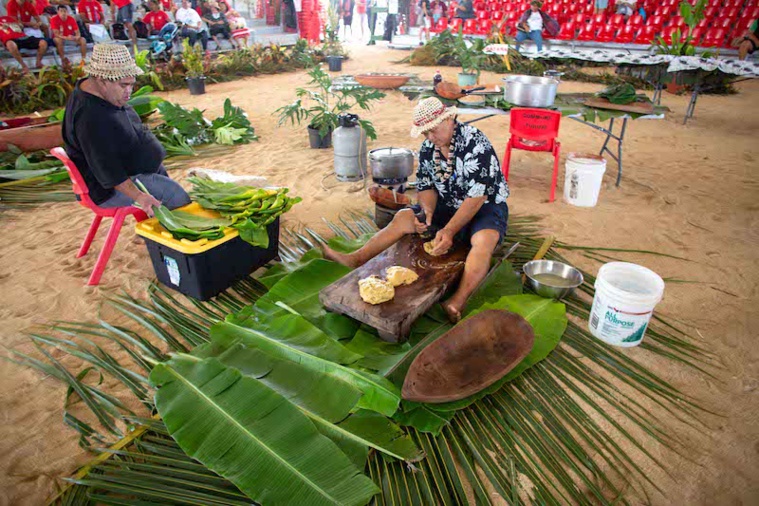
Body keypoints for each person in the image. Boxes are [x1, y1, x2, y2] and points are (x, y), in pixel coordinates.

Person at [323, 98, 509, 323]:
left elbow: (476, 197)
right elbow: (426, 186)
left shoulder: (476, 142)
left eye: (433, 130)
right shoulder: (429, 147)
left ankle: (457, 302)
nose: (430, 137)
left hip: (483, 206)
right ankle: (356, 258)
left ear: (449, 118)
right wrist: (427, 211)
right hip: (447, 204)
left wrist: (448, 231)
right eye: (425, 133)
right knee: (404, 217)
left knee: (483, 241)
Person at [62, 44, 191, 216]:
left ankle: (155, 230)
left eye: (131, 85)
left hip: (135, 170)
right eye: (123, 85)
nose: (129, 92)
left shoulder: (98, 92)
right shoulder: (91, 118)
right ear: (101, 81)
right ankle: (162, 240)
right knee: (174, 196)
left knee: (166, 188)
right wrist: (139, 196)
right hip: (108, 191)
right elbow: (108, 171)